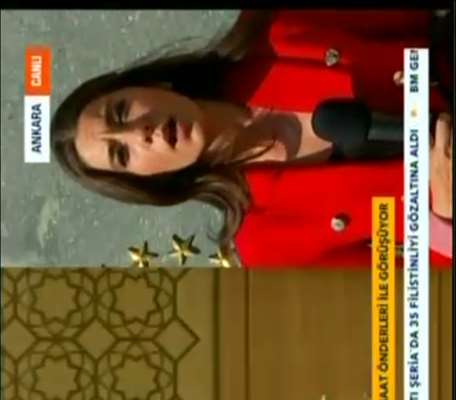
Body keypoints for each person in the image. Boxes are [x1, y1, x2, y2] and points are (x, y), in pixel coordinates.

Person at [51, 9, 453, 268]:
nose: (141, 132)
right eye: (122, 153)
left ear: (151, 85)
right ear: (146, 181)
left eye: (121, 111)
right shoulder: (270, 247)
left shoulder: (274, 26)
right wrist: (444, 215)